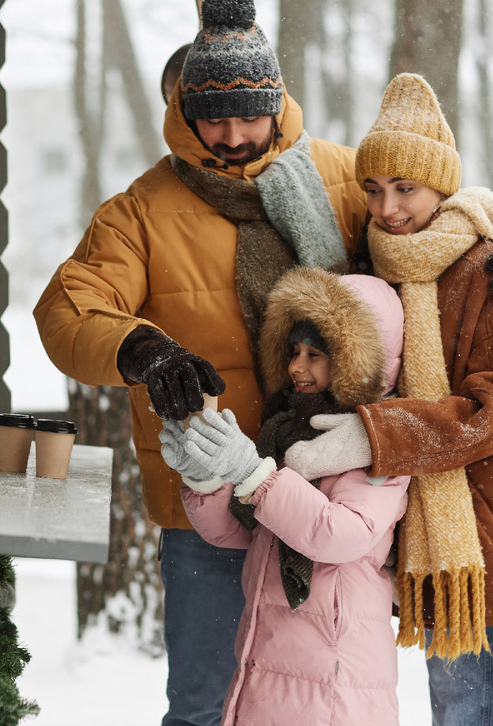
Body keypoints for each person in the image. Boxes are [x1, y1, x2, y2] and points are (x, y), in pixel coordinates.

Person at [34, 0, 493, 726]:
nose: (231, 134)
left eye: (248, 113)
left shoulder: (337, 177)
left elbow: (441, 223)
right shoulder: (141, 210)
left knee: (324, 695)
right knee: (203, 702)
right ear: (183, 112)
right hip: (211, 501)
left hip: (334, 491)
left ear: (276, 97)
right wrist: (141, 348)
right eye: (212, 117)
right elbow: (68, 308)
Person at [283, 73, 493, 726]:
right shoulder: (375, 275)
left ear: (442, 187)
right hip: (442, 553)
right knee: (461, 716)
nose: (388, 208)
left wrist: (376, 434)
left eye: (406, 188)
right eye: (373, 190)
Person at [162, 266, 409, 726]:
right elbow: (242, 533)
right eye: (294, 351)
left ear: (358, 359)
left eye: (316, 354)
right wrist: (206, 479)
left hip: (334, 677)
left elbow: (340, 534)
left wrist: (254, 474)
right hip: (269, 658)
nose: (297, 367)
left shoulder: (380, 445)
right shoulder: (285, 430)